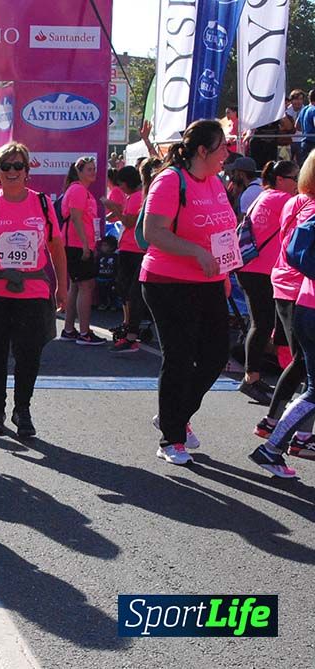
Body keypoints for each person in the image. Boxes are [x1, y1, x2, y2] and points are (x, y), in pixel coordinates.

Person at [141, 119, 237, 466]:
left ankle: (175, 415)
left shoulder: (215, 182)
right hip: (167, 282)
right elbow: (154, 232)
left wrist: (224, 270)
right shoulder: (169, 180)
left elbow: (222, 232)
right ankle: (171, 438)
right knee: (179, 356)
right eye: (222, 146)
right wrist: (195, 252)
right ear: (202, 150)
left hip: (210, 281)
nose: (227, 152)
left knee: (215, 356)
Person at [0, 141, 68, 437]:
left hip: (33, 291)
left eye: (18, 166)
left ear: (27, 171)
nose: (12, 171)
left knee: (28, 354)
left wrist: (62, 286)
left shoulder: (43, 203)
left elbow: (56, 248)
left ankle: (23, 410)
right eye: (5, 166)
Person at [254, 153, 315, 454]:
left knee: (301, 364)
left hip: (286, 283)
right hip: (298, 287)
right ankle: (280, 430)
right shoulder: (308, 206)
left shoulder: (293, 202)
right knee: (302, 365)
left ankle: (279, 426)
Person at [237, 160, 298, 404]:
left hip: (254, 268)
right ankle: (251, 378)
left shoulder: (265, 196)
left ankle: (258, 376)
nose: (297, 184)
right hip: (259, 269)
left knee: (265, 324)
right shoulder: (280, 199)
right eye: (295, 178)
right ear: (281, 179)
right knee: (262, 324)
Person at [59, 156, 105, 345]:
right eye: (89, 169)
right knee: (86, 287)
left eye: (94, 168)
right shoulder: (78, 190)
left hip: (78, 244)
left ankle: (70, 330)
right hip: (77, 245)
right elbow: (76, 219)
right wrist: (86, 246)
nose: (93, 172)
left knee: (77, 286)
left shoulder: (81, 190)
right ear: (79, 172)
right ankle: (84, 333)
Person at [109, 162, 152, 353]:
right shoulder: (135, 196)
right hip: (130, 249)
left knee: (131, 292)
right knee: (125, 290)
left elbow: (129, 222)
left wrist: (114, 208)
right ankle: (129, 327)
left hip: (134, 250)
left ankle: (131, 331)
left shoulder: (137, 197)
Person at [95, 236, 118, 310]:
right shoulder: (99, 256)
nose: (103, 247)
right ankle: (103, 303)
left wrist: (116, 277)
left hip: (111, 278)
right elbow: (96, 265)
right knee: (102, 292)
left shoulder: (115, 256)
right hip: (101, 277)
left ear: (111, 247)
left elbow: (117, 267)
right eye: (102, 245)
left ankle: (113, 304)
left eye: (105, 245)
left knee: (112, 292)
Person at [298, 89, 315, 165]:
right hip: (313, 144)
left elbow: (297, 126)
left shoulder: (304, 109)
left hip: (304, 143)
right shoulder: (314, 109)